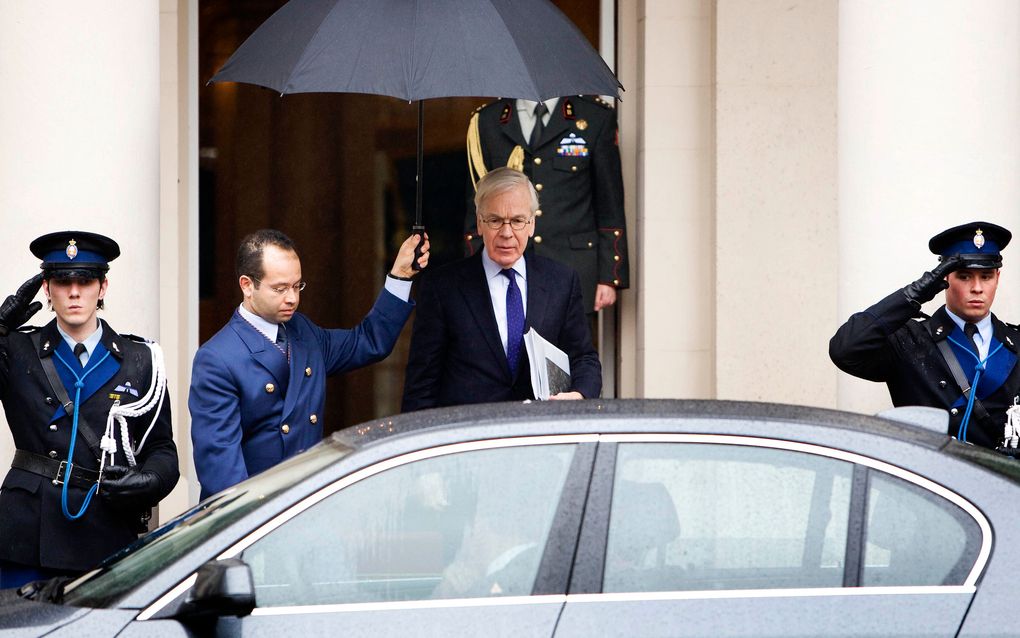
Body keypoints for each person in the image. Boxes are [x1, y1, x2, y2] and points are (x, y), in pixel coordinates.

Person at [189, 229, 428, 499]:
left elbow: (367, 342)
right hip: (255, 515)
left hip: (306, 502)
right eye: (279, 288)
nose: (292, 298)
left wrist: (400, 276)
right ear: (247, 285)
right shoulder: (217, 358)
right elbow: (221, 474)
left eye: (297, 286)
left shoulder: (302, 331)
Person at [0, 231, 179, 589]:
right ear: (47, 289)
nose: (75, 291)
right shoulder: (16, 349)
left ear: (103, 287)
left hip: (105, 531)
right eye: (63, 282)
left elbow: (162, 448)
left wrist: (151, 481)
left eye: (85, 280)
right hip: (26, 535)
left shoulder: (139, 358)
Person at [402, 167, 601, 411]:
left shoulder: (561, 281)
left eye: (517, 221)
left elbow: (584, 358)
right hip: (467, 438)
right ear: (479, 223)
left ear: (531, 224)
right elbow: (422, 383)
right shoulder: (443, 287)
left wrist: (579, 395)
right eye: (495, 220)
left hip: (538, 435)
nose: (506, 233)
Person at [830, 221, 1020, 450]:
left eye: (986, 276)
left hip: (1000, 481)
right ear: (945, 279)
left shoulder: (1015, 343)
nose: (977, 288)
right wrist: (916, 293)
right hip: (928, 480)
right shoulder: (910, 339)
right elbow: (845, 349)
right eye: (964, 276)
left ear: (997, 278)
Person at [464, 96, 629, 320]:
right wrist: (474, 270)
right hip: (505, 265)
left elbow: (609, 202)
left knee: (569, 353)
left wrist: (609, 276)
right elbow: (476, 202)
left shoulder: (594, 116)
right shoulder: (488, 120)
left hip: (574, 267)